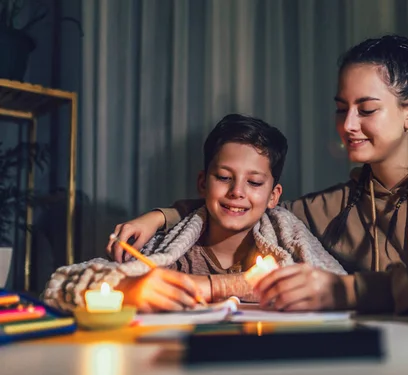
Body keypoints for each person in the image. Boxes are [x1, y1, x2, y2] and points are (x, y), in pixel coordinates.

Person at [107, 34, 408, 315]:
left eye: (366, 109)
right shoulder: (342, 203)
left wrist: (349, 291)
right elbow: (249, 206)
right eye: (342, 109)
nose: (348, 125)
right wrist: (162, 216)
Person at [44, 114, 346, 313]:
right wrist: (128, 288)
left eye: (254, 182)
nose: (237, 192)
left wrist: (220, 286)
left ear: (273, 196)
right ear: (203, 183)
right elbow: (59, 283)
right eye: (224, 178)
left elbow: (338, 285)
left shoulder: (285, 233)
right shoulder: (175, 249)